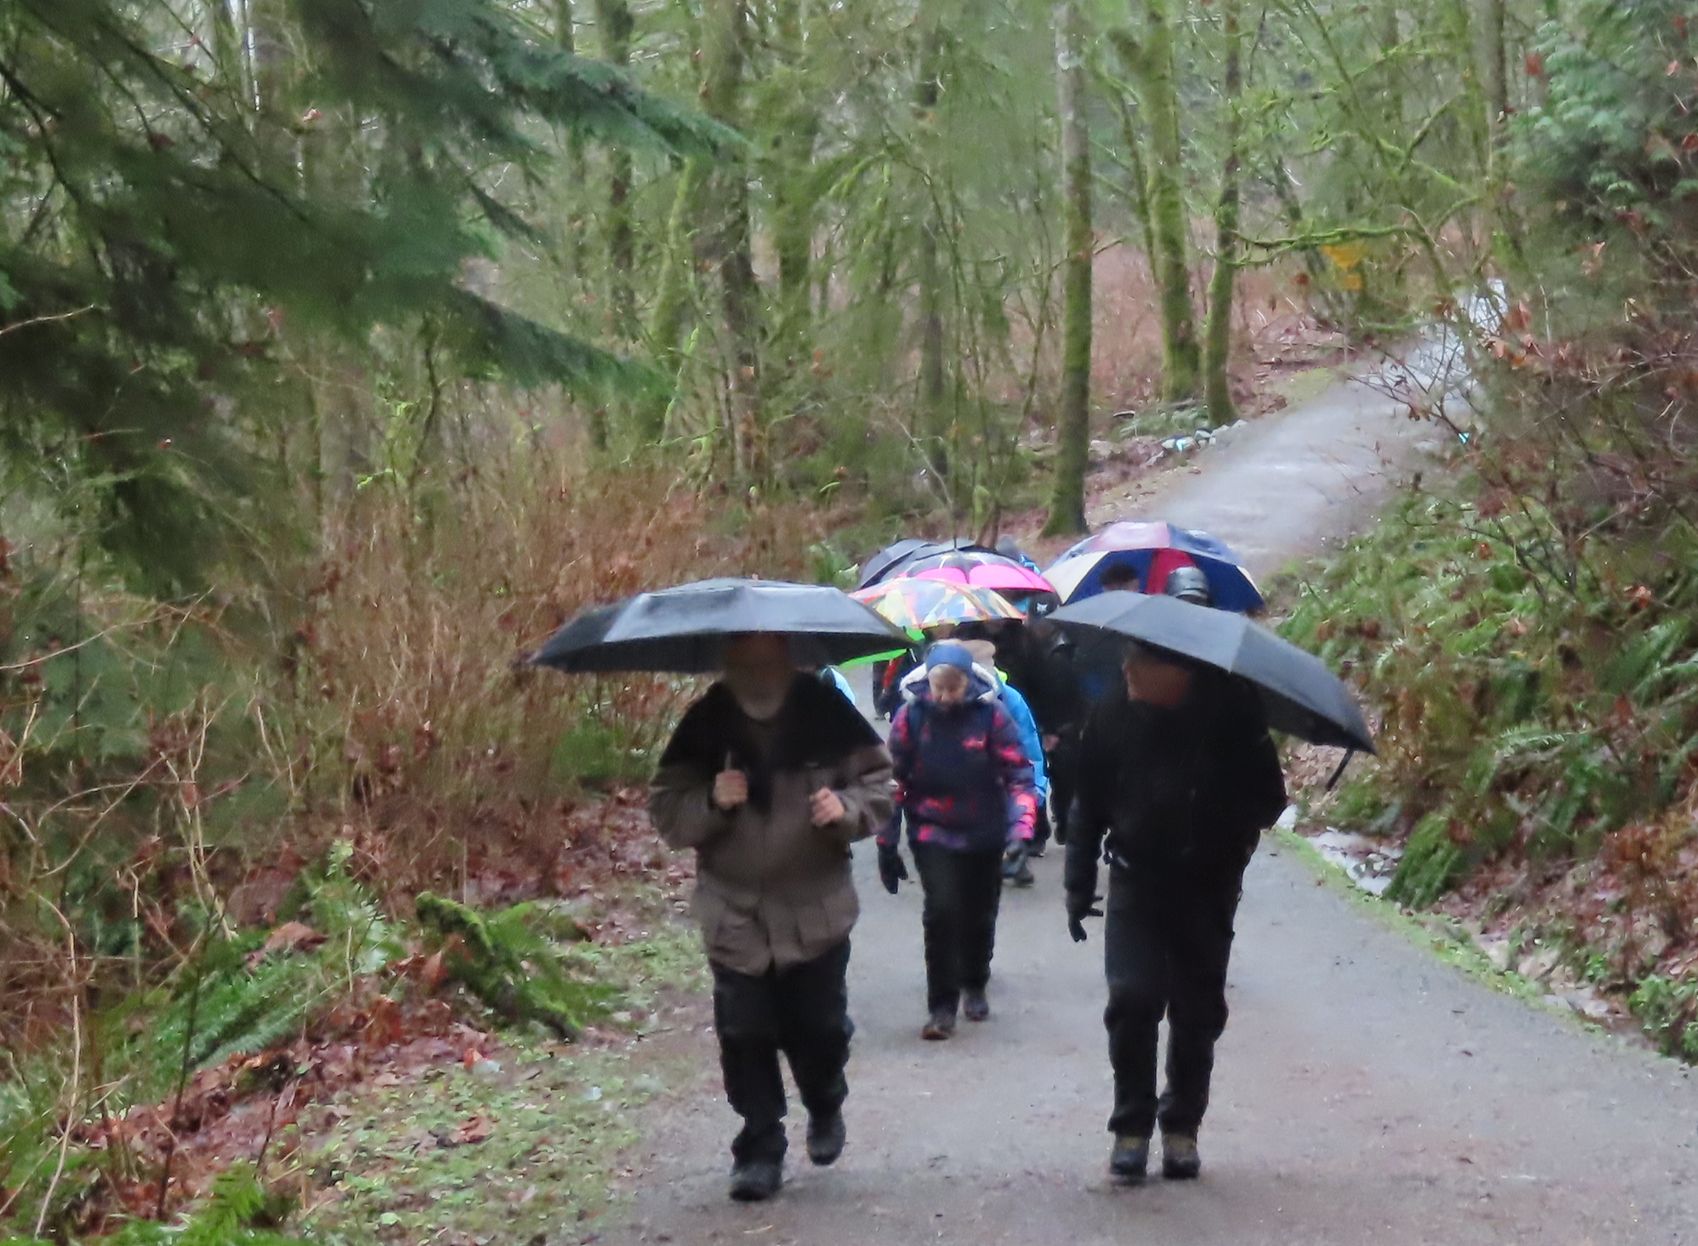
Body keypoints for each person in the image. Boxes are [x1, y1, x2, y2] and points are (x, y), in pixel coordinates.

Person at [649, 634, 894, 1203]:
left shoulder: (827, 714)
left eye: (766, 661)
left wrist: (846, 809)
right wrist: (713, 799)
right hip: (734, 909)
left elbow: (878, 784)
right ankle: (759, 1146)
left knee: (819, 1029)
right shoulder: (705, 724)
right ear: (728, 665)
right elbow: (667, 810)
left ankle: (825, 1096)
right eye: (743, 663)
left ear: (788, 660)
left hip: (816, 907)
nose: (756, 674)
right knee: (745, 1032)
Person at [1064, 641, 1286, 1185]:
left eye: (1139, 664)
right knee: (1133, 996)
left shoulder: (1233, 712)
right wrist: (1077, 882)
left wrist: (1222, 811)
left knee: (1196, 1009)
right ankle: (1131, 1127)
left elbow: (1270, 802)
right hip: (1137, 876)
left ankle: (1183, 1124)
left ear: (1177, 670)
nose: (1126, 670)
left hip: (1207, 883)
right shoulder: (1114, 711)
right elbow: (1087, 801)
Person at [878, 642, 1038, 1039]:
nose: (946, 696)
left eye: (954, 687)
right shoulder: (910, 717)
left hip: (984, 827)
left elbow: (1019, 774)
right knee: (942, 910)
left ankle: (975, 980)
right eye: (939, 687)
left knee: (979, 911)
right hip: (932, 827)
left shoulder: (992, 716)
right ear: (927, 682)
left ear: (968, 682)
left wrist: (1021, 832)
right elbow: (891, 779)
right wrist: (886, 837)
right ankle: (941, 1006)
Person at [959, 638, 1048, 887]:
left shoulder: (1010, 699)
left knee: (1010, 823)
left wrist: (1037, 790)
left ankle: (1015, 859)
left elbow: (1030, 746)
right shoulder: (952, 702)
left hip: (1008, 778)